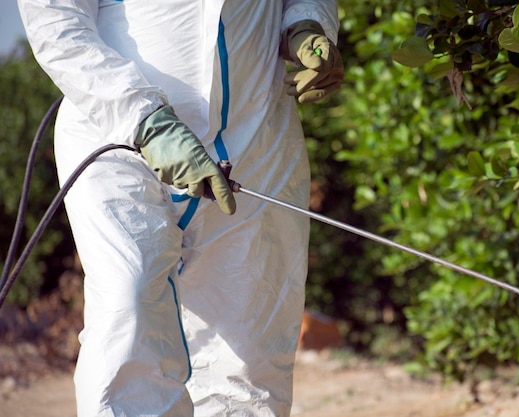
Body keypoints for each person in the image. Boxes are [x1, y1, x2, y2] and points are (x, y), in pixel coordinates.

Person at [18, 1, 343, 416]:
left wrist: (306, 23)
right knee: (129, 306)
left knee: (249, 351)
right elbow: (56, 20)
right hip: (118, 137)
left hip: (258, 138)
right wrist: (145, 121)